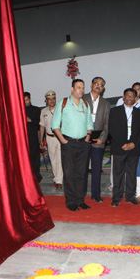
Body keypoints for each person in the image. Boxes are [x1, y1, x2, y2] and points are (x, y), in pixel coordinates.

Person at [51, 79, 94, 211]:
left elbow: (89, 124)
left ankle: (80, 200)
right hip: (68, 144)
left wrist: (87, 138)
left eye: (83, 87)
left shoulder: (85, 104)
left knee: (81, 174)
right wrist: (63, 140)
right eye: (78, 87)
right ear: (72, 89)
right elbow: (54, 125)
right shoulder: (63, 103)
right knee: (69, 174)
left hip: (83, 144)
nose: (81, 90)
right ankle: (70, 202)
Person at [108, 88, 140, 207]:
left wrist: (134, 143)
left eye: (132, 96)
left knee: (131, 173)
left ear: (135, 99)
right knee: (118, 173)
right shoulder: (114, 111)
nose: (130, 98)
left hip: (134, 147)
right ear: (123, 97)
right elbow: (111, 129)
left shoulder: (139, 113)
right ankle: (117, 197)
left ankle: (130, 196)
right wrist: (122, 144)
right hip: (119, 146)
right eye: (127, 96)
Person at [82, 77, 110, 203]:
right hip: (83, 138)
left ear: (103, 88)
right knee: (82, 169)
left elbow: (107, 123)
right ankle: (81, 193)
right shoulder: (83, 99)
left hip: (98, 139)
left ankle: (96, 194)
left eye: (101, 85)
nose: (99, 86)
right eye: (97, 84)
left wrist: (102, 139)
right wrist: (84, 136)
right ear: (91, 85)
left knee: (97, 169)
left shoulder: (106, 103)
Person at [39, 90, 63, 189]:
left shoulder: (60, 109)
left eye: (53, 98)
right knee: (52, 159)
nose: (51, 101)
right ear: (46, 100)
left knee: (59, 159)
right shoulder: (43, 111)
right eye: (49, 99)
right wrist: (41, 140)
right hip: (49, 138)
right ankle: (56, 178)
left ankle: (59, 181)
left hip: (59, 137)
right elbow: (42, 126)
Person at [24, 91, 42, 182]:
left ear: (30, 99)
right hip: (23, 138)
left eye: (26, 100)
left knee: (34, 157)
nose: (25, 102)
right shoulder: (19, 110)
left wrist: (30, 120)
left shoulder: (36, 110)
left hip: (33, 137)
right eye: (23, 100)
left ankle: (36, 176)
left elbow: (39, 124)